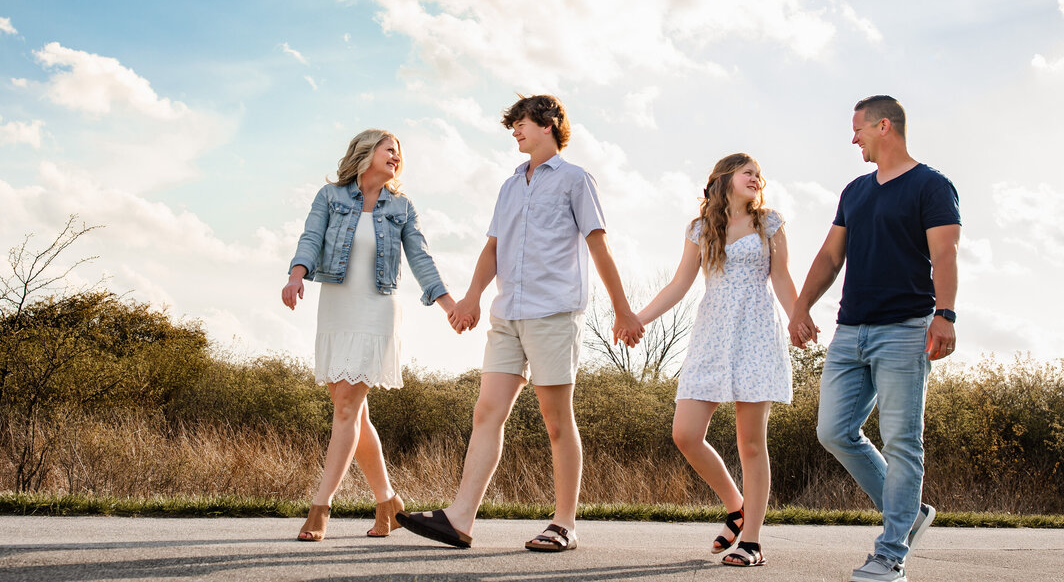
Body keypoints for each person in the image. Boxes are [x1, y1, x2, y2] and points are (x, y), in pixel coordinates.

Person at [396, 94, 643, 552]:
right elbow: (493, 248)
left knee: (555, 421)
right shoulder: (510, 185)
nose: (515, 131)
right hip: (506, 315)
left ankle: (564, 523)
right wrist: (470, 299)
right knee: (487, 412)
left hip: (553, 314)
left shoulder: (575, 180)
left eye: (522, 123)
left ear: (548, 124)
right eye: (513, 125)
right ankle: (460, 518)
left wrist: (623, 309)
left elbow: (598, 246)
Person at [788, 96, 960, 582]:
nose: (853, 138)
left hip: (906, 329)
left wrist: (944, 315)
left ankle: (890, 554)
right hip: (850, 330)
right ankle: (908, 514)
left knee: (904, 440)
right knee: (834, 431)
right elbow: (828, 255)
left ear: (884, 126)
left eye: (858, 128)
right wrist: (801, 306)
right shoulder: (855, 191)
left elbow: (944, 256)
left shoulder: (932, 186)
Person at [282, 129, 456, 542]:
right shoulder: (330, 197)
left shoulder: (401, 207)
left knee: (345, 408)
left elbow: (420, 257)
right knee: (353, 414)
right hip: (337, 308)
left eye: (399, 153)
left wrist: (449, 304)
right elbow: (310, 237)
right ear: (367, 152)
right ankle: (389, 505)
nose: (396, 157)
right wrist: (296, 275)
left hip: (377, 310)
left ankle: (320, 507)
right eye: (389, 149)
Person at [636, 153, 797, 568]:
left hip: (756, 332)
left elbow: (782, 278)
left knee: (750, 442)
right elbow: (679, 284)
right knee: (685, 433)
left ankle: (753, 541)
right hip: (711, 335)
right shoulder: (700, 228)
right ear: (725, 178)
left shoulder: (770, 222)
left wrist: (800, 318)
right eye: (749, 173)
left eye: (760, 175)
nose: (757, 180)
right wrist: (637, 318)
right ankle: (736, 505)